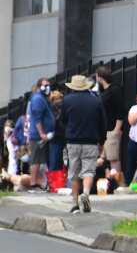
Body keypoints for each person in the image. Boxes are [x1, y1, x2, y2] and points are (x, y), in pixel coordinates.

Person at [60, 75, 106, 213]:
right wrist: (102, 141)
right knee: (88, 170)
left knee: (73, 172)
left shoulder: (67, 100)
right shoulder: (96, 101)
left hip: (72, 141)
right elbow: (102, 123)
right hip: (91, 141)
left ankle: (75, 202)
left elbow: (63, 120)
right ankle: (85, 194)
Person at [94, 66, 126, 183]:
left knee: (113, 157)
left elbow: (120, 110)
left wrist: (117, 129)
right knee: (105, 156)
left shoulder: (114, 90)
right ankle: (109, 181)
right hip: (104, 129)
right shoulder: (103, 91)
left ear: (99, 77)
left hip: (112, 128)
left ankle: (117, 182)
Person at [25, 78, 54, 190]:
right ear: (39, 86)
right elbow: (37, 118)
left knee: (39, 160)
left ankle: (37, 182)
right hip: (38, 135)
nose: (47, 87)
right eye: (45, 85)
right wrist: (41, 133)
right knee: (36, 160)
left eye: (48, 85)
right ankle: (33, 183)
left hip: (41, 134)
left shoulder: (42, 98)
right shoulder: (38, 99)